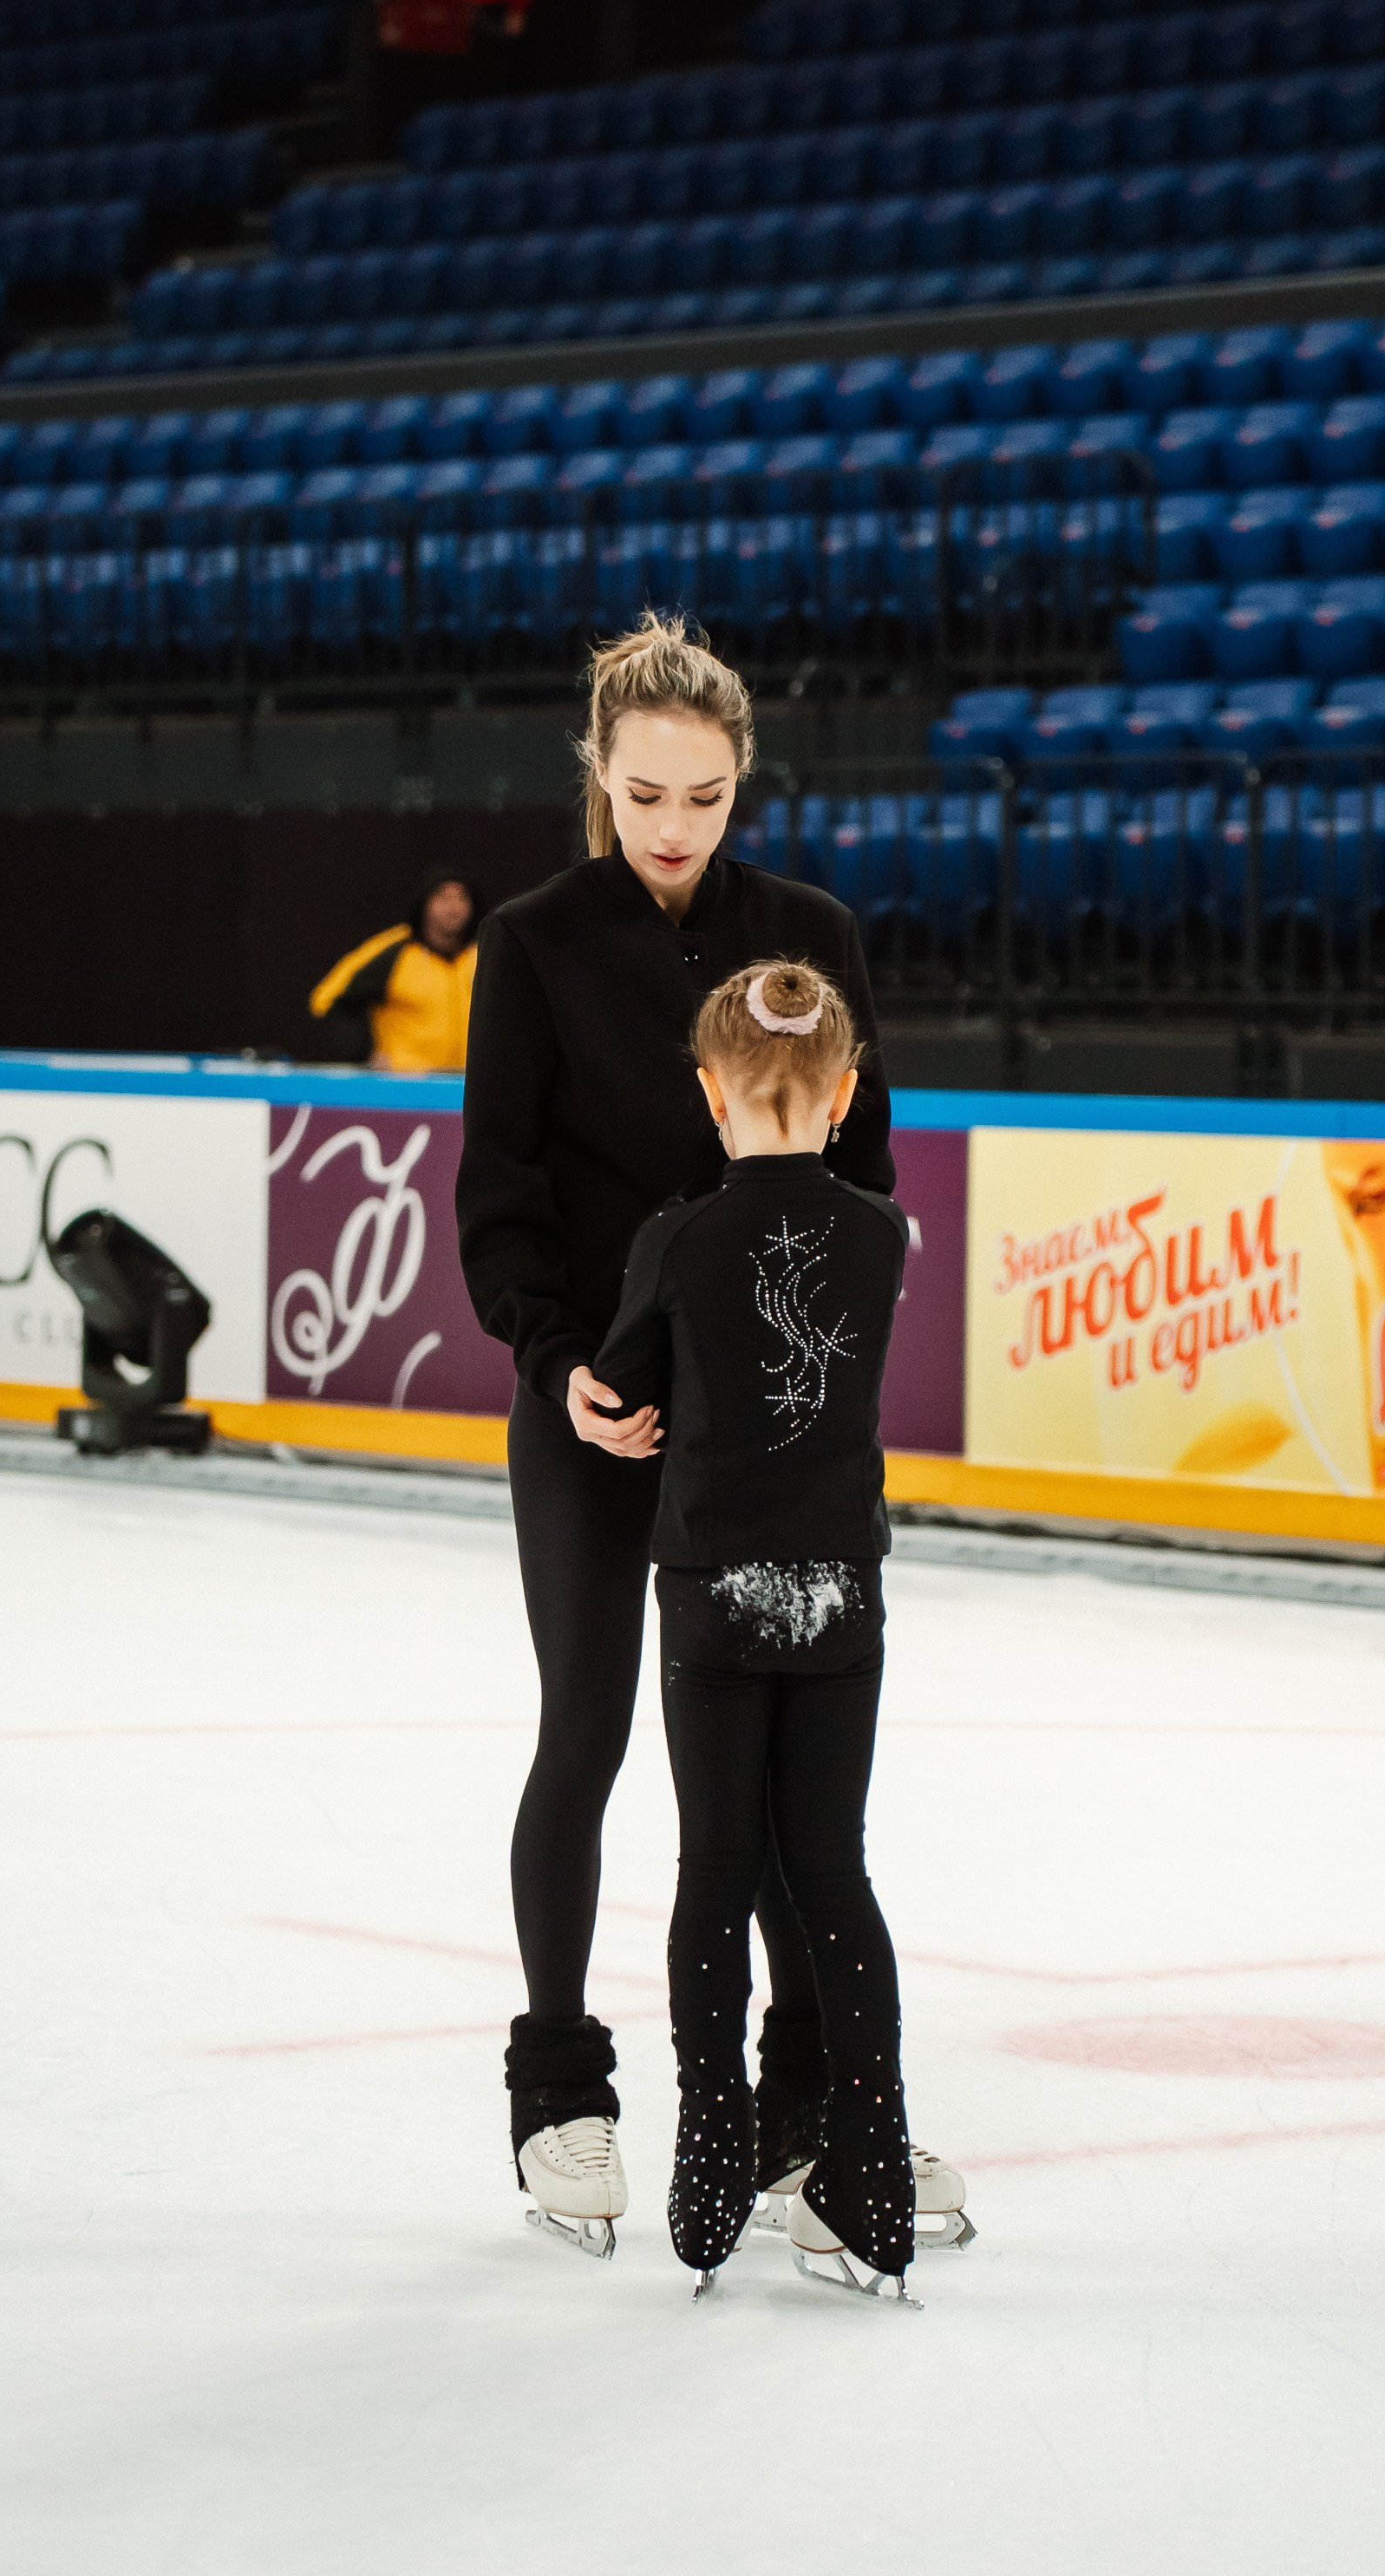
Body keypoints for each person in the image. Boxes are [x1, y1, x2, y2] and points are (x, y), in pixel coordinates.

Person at [455, 613, 967, 2259]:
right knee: (589, 1734)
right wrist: (559, 1370)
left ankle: (809, 2125)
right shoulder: (531, 944)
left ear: (744, 780)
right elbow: (500, 1204)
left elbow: (865, 1166)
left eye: (708, 794)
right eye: (649, 791)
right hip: (604, 1418)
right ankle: (562, 2091)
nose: (677, 825)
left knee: (789, 1795)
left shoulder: (807, 933)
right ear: (599, 774)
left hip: (765, 1440)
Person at [593, 958, 920, 2303]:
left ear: (710, 1092)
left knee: (718, 1864)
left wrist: (612, 1395)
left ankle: (715, 2134)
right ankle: (870, 2156)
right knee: (829, 1869)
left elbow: (623, 1383)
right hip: (840, 1591)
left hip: (716, 1593)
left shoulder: (677, 1235)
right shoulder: (884, 1233)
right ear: (842, 1095)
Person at [309, 866, 481, 1072]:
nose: (453, 907)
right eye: (442, 898)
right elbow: (327, 998)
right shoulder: (395, 951)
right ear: (425, 903)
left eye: (461, 898)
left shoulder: (484, 953)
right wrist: (364, 1053)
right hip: (405, 1085)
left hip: (467, 1085)